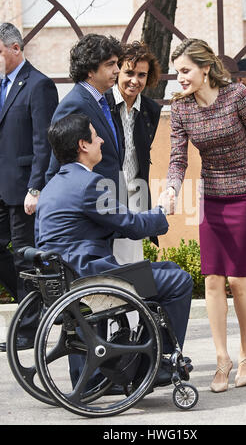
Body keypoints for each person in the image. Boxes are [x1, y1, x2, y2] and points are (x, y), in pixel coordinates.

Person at [161, 38, 246, 392]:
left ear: (205, 68)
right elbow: (177, 158)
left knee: (236, 279)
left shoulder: (236, 97)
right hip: (212, 197)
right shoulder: (182, 109)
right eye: (177, 72)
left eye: (185, 70)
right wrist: (172, 187)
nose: (180, 78)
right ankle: (222, 359)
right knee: (212, 280)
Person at [35, 113, 193, 385]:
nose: (102, 142)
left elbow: (103, 224)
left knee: (168, 270)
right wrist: (161, 213)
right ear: (83, 145)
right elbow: (129, 224)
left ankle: (102, 375)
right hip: (93, 282)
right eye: (96, 136)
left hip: (69, 279)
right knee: (179, 280)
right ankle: (151, 366)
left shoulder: (52, 187)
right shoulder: (88, 185)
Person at [0, 23, 58, 352]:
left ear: (15, 49)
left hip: (24, 189)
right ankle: (37, 306)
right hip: (0, 186)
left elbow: (44, 143)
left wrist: (36, 187)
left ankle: (29, 328)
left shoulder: (39, 85)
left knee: (24, 258)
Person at [45, 34, 124, 196]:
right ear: (90, 71)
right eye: (110, 64)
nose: (117, 70)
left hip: (111, 197)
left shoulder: (104, 100)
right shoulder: (74, 104)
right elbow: (57, 165)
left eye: (117, 63)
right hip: (88, 201)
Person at [105, 41, 162, 263]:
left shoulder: (151, 110)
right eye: (129, 72)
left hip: (135, 194)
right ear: (117, 71)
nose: (135, 80)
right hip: (106, 192)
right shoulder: (102, 103)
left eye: (142, 75)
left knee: (132, 263)